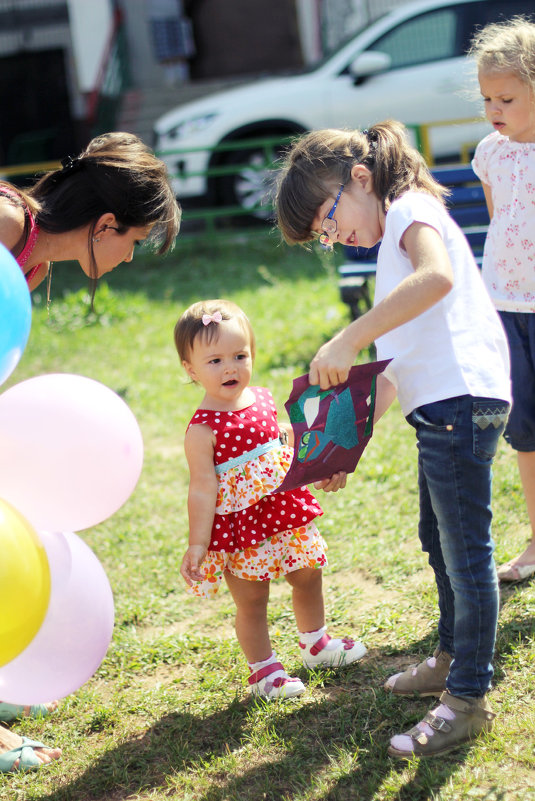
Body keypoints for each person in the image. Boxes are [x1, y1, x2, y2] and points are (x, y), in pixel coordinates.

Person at [274, 120, 511, 757]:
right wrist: (342, 449)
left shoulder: (408, 206)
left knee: (466, 555)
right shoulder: (388, 250)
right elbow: (397, 371)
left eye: (328, 218)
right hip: (441, 407)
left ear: (359, 178)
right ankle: (450, 655)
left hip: (463, 401)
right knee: (438, 538)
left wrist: (348, 337)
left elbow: (437, 279)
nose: (333, 237)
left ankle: (466, 698)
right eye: (323, 235)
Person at [0, 130, 181, 772]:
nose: (130, 258)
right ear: (105, 225)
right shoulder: (3, 221)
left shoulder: (33, 259)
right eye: (132, 242)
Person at [174, 299, 366, 700]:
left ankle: (316, 643)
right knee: (252, 598)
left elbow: (283, 438)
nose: (230, 367)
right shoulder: (202, 429)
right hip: (242, 530)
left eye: (239, 355)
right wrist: (197, 543)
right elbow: (202, 488)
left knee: (308, 573)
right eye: (214, 361)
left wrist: (318, 450)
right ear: (190, 369)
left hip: (285, 511)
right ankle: (265, 670)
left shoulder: (261, 397)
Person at [470, 17, 535, 584]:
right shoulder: (490, 152)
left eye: (507, 98)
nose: (494, 107)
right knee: (528, 432)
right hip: (507, 308)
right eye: (487, 97)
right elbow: (500, 222)